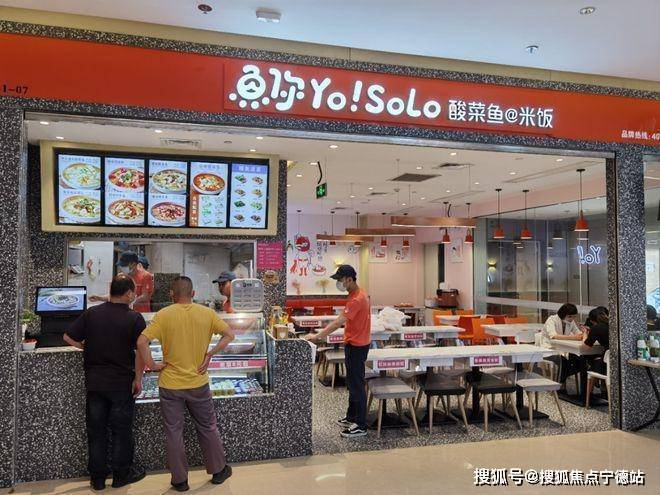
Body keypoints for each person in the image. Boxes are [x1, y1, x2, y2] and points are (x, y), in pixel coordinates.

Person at [136, 276, 235, 492]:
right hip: (198, 382)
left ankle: (180, 481)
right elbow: (229, 335)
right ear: (193, 294)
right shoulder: (207, 313)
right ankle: (218, 471)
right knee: (208, 427)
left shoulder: (163, 315)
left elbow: (142, 342)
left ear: (171, 294)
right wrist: (210, 353)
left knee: (174, 432)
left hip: (170, 385)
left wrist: (152, 365)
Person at [63, 276, 147, 491]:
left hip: (95, 384)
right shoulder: (135, 318)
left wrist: (86, 347)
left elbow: (68, 337)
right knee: (121, 431)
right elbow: (141, 352)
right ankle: (121, 476)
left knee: (97, 432)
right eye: (133, 292)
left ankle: (97, 479)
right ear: (128, 293)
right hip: (121, 384)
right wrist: (138, 379)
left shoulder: (92, 313)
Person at [304, 265, 371, 438]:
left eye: (340, 280)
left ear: (349, 279)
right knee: (352, 382)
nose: (339, 283)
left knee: (357, 385)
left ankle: (361, 425)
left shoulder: (357, 299)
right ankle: (351, 417)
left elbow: (338, 322)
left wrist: (317, 336)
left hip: (357, 346)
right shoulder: (358, 294)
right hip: (355, 343)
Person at [540, 303, 585, 384]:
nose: (572, 319)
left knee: (581, 361)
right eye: (570, 316)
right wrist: (574, 337)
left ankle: (559, 381)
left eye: (574, 316)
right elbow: (554, 336)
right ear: (562, 314)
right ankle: (560, 385)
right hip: (549, 349)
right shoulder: (552, 320)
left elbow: (578, 333)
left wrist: (584, 332)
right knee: (563, 362)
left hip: (563, 350)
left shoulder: (571, 321)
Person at [584, 307, 609, 374]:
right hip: (616, 359)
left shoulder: (595, 328)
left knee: (588, 361)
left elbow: (586, 347)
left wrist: (585, 333)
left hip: (607, 362)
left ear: (591, 320)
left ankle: (589, 380)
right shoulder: (611, 324)